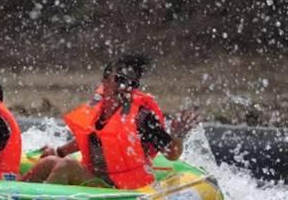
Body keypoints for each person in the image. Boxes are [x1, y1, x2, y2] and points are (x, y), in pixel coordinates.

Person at [21, 54, 200, 189]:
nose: (125, 87)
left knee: (66, 166)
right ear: (105, 80)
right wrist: (59, 151)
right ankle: (10, 194)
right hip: (95, 176)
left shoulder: (142, 117)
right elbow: (92, 137)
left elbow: (171, 154)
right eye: (120, 80)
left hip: (121, 187)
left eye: (132, 84)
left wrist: (178, 135)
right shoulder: (99, 109)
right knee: (49, 161)